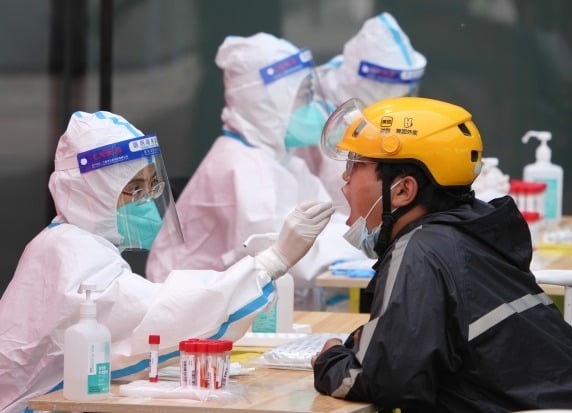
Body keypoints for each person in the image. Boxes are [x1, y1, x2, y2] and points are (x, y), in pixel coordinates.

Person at [0, 110, 333, 413]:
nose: (148, 200)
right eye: (134, 188)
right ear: (93, 193)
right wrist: (271, 261)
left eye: (152, 184)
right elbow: (155, 314)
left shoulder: (78, 242)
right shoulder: (68, 251)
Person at [311, 96, 572, 411]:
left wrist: (329, 361)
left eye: (356, 165)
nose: (345, 178)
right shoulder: (471, 233)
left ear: (403, 190)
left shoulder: (420, 250)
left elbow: (391, 382)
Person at [145, 33, 363, 308]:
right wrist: (361, 246)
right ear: (267, 102)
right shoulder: (240, 165)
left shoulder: (284, 161)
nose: (315, 109)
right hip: (190, 312)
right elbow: (288, 256)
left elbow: (329, 221)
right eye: (303, 98)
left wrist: (361, 240)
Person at [296, 11, 427, 213]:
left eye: (407, 89)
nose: (402, 96)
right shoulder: (313, 117)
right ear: (366, 79)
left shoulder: (374, 114)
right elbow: (339, 197)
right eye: (393, 88)